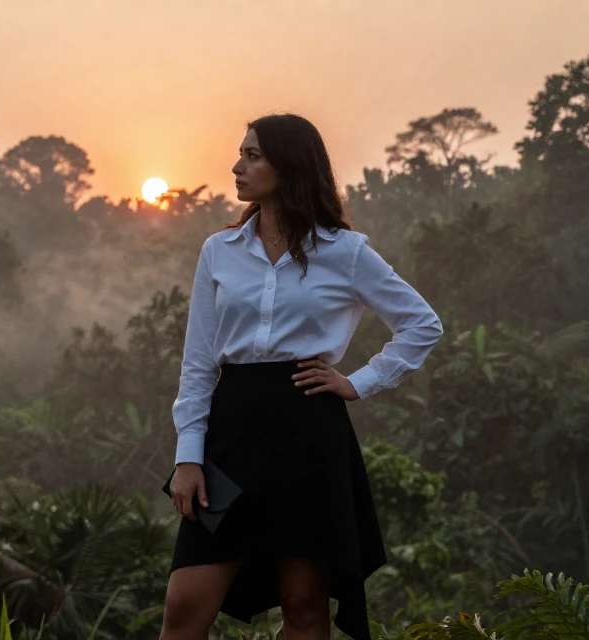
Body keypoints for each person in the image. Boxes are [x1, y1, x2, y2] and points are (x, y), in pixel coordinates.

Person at [160, 113, 444, 640]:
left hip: (309, 430)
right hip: (231, 429)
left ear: (288, 166)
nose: (236, 166)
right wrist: (187, 456)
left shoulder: (345, 252)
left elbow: (422, 324)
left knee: (305, 607)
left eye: (252, 156)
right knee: (185, 602)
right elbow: (198, 362)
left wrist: (357, 382)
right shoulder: (219, 251)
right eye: (241, 153)